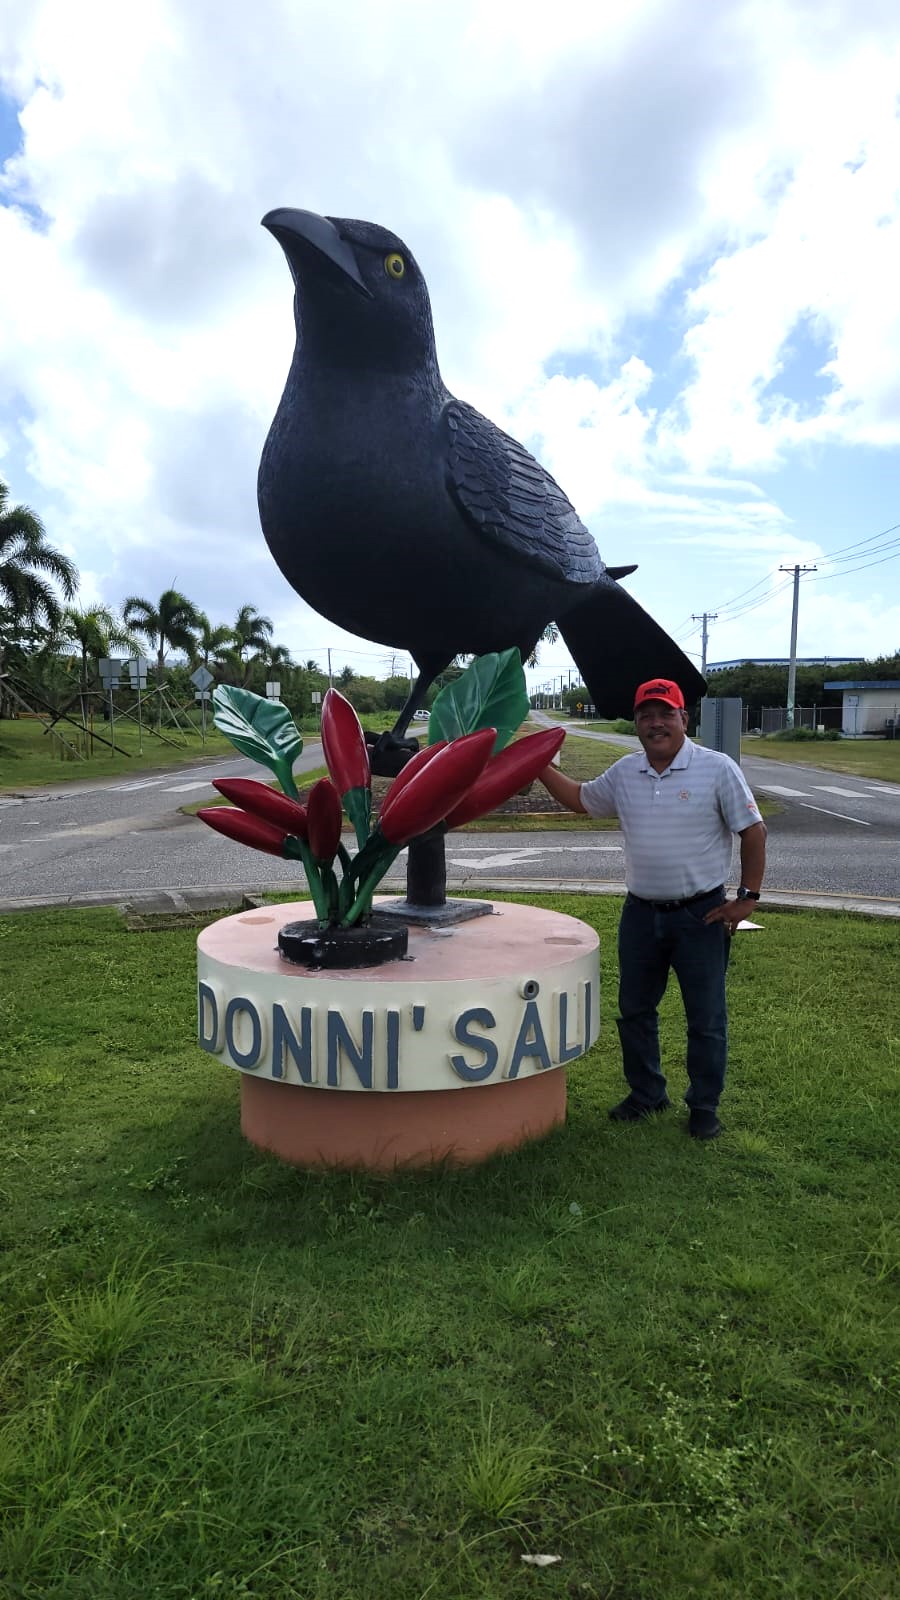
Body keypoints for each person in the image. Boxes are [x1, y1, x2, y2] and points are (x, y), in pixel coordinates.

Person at [538, 678, 766, 1139]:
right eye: (646, 715)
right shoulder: (626, 772)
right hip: (640, 914)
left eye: (666, 714)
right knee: (635, 1010)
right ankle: (647, 1094)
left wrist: (747, 899)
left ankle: (704, 1106)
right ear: (637, 723)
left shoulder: (716, 768)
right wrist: (536, 765)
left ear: (685, 719)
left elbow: (753, 830)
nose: (655, 723)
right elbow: (582, 800)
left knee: (706, 1018)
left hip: (699, 915)